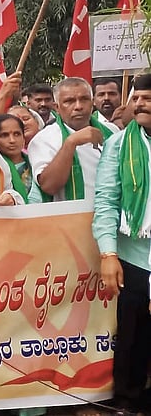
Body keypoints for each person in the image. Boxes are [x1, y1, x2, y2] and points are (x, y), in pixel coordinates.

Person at [93, 73, 151, 413]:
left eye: (147, 98)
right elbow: (106, 201)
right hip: (133, 255)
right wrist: (108, 253)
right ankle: (127, 401)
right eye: (137, 98)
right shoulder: (119, 144)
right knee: (132, 333)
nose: (140, 104)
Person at [29, 77, 115, 203]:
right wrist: (71, 143)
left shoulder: (112, 131)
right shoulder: (44, 139)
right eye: (69, 101)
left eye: (84, 99)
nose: (78, 106)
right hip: (71, 218)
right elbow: (49, 186)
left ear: (92, 103)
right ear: (57, 108)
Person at [0, 114, 33, 198]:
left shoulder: (35, 162)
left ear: (23, 138)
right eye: (4, 135)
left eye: (17, 134)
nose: (12, 140)